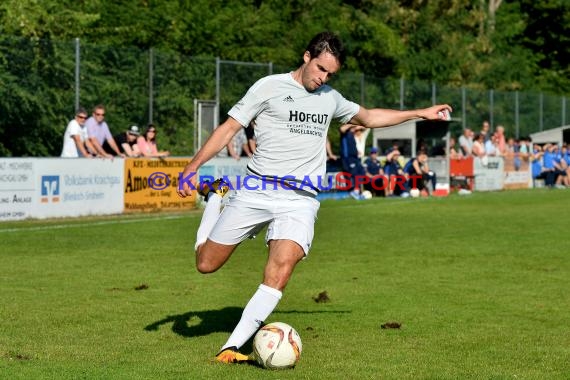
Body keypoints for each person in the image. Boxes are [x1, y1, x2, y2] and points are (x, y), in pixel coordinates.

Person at [176, 31, 451, 363]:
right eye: (320, 69)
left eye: (330, 74)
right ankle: (217, 198)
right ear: (307, 57)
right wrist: (193, 166)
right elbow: (229, 128)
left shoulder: (330, 98)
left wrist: (421, 113)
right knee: (206, 264)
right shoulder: (268, 86)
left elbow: (370, 117)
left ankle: (231, 347)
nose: (323, 78)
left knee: (282, 267)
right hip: (256, 189)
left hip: (300, 199)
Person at [340, 124, 367, 199]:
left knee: (361, 172)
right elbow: (342, 128)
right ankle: (352, 192)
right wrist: (354, 124)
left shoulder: (352, 134)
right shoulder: (345, 132)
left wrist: (356, 151)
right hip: (347, 158)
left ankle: (356, 191)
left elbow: (364, 127)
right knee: (352, 174)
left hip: (354, 158)